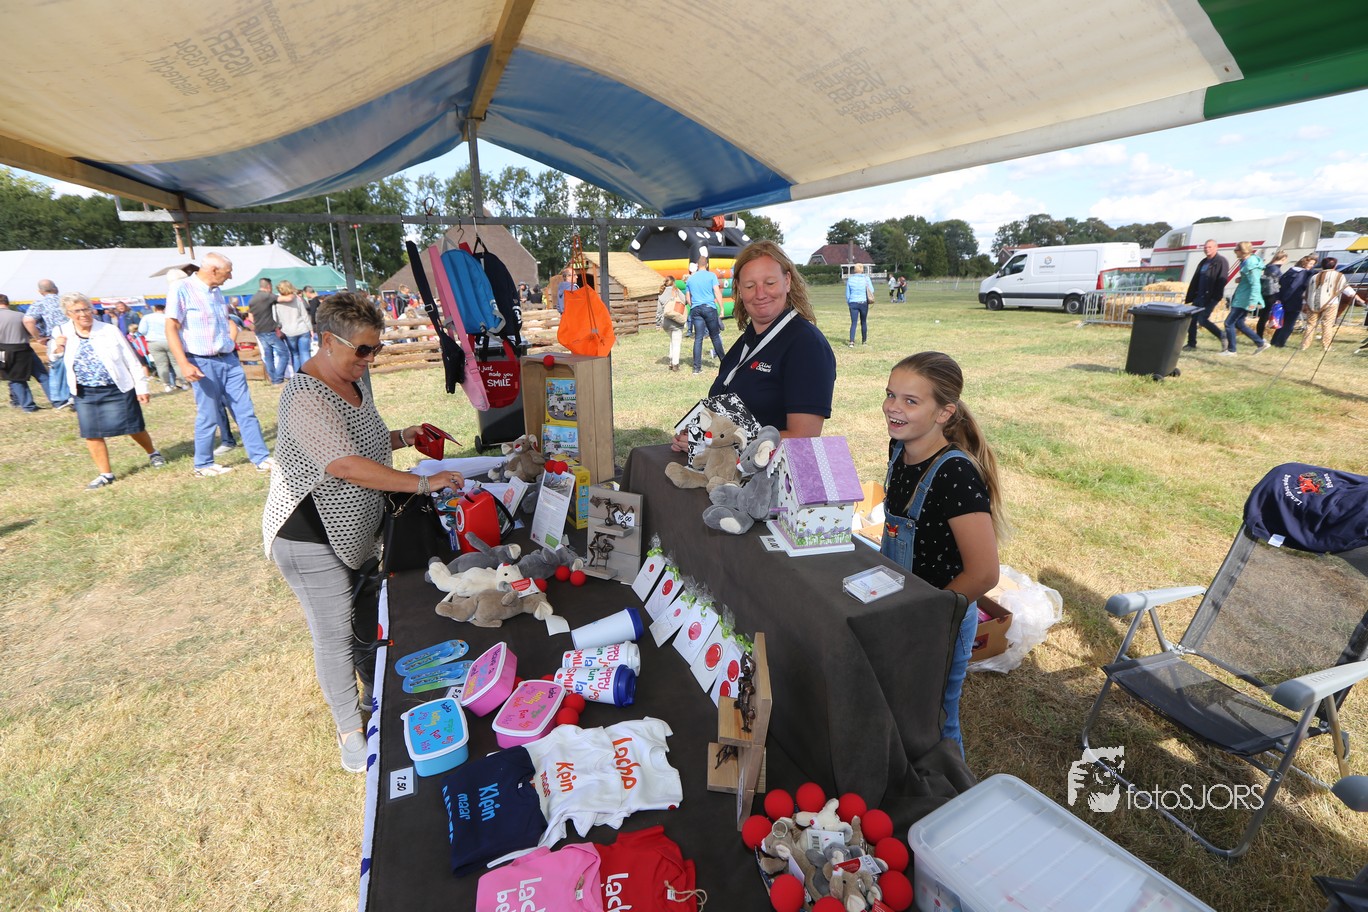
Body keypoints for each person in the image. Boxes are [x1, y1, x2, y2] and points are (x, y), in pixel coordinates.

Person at [262, 291, 464, 772]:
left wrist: (405, 436)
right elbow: (345, 464)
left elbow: (362, 443)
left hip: (351, 534)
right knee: (333, 634)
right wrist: (424, 482)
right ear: (327, 341)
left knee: (363, 620)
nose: (370, 359)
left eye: (376, 349)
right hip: (308, 536)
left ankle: (375, 695)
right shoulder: (305, 395)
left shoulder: (352, 380)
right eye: (363, 350)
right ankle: (350, 733)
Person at [879, 351, 1005, 753]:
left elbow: (984, 573)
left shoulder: (955, 474)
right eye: (890, 394)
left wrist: (930, 616)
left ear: (944, 413)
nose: (893, 407)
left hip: (938, 619)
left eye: (910, 401)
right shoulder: (899, 448)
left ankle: (951, 786)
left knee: (937, 720)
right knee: (902, 701)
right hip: (901, 604)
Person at [705, 240, 836, 436]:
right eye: (750, 286)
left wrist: (724, 441)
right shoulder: (744, 343)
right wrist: (700, 434)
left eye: (770, 283)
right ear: (739, 288)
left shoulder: (807, 345)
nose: (760, 294)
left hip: (772, 458)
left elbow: (803, 437)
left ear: (787, 281)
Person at [165, 252, 275, 477]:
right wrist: (183, 363)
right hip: (201, 361)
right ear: (213, 270)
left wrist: (229, 342)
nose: (230, 277)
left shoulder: (216, 292)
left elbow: (226, 323)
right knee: (209, 414)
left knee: (245, 410)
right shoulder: (181, 288)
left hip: (229, 360)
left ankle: (261, 458)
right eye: (228, 272)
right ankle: (203, 464)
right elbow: (171, 328)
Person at [50, 294, 166, 488]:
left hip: (117, 387)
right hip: (85, 392)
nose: (83, 314)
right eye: (77, 311)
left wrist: (141, 387)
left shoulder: (109, 330)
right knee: (91, 432)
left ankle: (153, 453)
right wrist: (58, 346)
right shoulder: (61, 331)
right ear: (68, 314)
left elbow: (130, 359)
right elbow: (53, 359)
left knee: (134, 426)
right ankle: (106, 474)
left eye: (86, 309)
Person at [30, 278, 74, 410]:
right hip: (75, 336)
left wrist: (38, 338)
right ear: (56, 289)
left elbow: (28, 320)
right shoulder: (67, 301)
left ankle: (63, 398)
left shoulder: (39, 304)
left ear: (40, 291)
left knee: (58, 369)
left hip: (55, 339)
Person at [1, 295, 47, 412]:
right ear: (7, 303)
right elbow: (30, 330)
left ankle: (26, 405)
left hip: (2, 350)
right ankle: (58, 400)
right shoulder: (21, 315)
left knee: (14, 378)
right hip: (23, 347)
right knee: (42, 374)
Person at [1220, 241, 1267, 356]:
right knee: (1239, 323)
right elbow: (1249, 279)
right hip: (1242, 296)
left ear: (1243, 251)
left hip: (1244, 299)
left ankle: (1232, 350)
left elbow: (1255, 283)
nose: (1235, 251)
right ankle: (1260, 343)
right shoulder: (1246, 262)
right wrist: (1241, 279)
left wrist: (1253, 301)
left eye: (1236, 249)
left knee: (1229, 323)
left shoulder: (1251, 264)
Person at [1182, 239, 1228, 350]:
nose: (1207, 249)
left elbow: (1222, 280)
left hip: (1211, 297)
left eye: (1210, 247)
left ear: (1216, 248)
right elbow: (1196, 279)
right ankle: (1191, 344)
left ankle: (1222, 336)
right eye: (1205, 247)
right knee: (1191, 319)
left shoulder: (1221, 261)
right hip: (1199, 296)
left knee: (1202, 319)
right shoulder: (1203, 262)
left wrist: (1215, 296)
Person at [1301, 257, 1354, 352]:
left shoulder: (1314, 276)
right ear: (1335, 266)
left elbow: (1308, 291)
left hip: (1312, 303)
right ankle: (1326, 346)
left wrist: (1304, 303)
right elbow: (1345, 288)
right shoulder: (1339, 275)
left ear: (1322, 265)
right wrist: (1354, 295)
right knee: (1327, 325)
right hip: (1330, 303)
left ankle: (1304, 346)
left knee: (1310, 325)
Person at [685, 253, 726, 374]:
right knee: (715, 336)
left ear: (697, 265)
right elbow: (717, 292)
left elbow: (688, 297)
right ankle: (725, 363)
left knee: (698, 338)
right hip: (709, 308)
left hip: (696, 309)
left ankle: (696, 368)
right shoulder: (711, 275)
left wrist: (693, 305)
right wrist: (722, 308)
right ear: (707, 265)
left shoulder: (690, 278)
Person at [1270, 255, 1317, 348]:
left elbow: (1281, 282)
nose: (1312, 266)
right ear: (1304, 263)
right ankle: (1280, 343)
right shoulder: (1303, 273)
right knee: (1289, 325)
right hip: (1294, 300)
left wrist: (1280, 298)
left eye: (1313, 264)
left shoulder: (1291, 270)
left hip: (1283, 298)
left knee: (1282, 322)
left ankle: (1274, 341)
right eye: (1310, 264)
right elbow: (1294, 287)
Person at [247, 278, 288, 384]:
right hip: (269, 330)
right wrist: (293, 294)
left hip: (259, 331)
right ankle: (278, 378)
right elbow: (286, 299)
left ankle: (273, 378)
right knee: (284, 353)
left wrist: (257, 323)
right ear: (268, 286)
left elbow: (250, 316)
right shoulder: (267, 296)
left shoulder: (253, 299)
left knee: (268, 355)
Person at [140, 302, 185, 392]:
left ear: (155, 309)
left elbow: (142, 331)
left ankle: (167, 385)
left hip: (154, 342)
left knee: (161, 365)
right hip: (170, 341)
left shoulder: (147, 317)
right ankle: (184, 383)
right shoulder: (169, 317)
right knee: (176, 363)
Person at [275, 280, 313, 373]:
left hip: (288, 331)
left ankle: (298, 376)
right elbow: (304, 315)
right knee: (305, 353)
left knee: (295, 355)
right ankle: (308, 374)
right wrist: (310, 329)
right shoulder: (297, 298)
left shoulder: (276, 301)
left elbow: (276, 318)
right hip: (302, 329)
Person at [655, 275, 687, 372]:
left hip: (666, 322)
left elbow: (659, 311)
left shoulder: (662, 294)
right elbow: (685, 301)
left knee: (672, 340)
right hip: (677, 321)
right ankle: (675, 364)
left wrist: (658, 324)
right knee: (676, 343)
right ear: (673, 282)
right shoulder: (677, 291)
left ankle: (671, 360)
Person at [1254, 251, 1287, 339]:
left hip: (1266, 293)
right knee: (1264, 316)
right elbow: (1274, 282)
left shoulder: (1269, 266)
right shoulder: (1275, 269)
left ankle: (1259, 335)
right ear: (1283, 259)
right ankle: (1259, 337)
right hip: (1272, 294)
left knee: (1264, 315)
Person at [844, 263, 875, 348]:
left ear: (854, 270)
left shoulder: (850, 279)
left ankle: (851, 342)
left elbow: (847, 293)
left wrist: (849, 302)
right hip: (863, 302)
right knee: (863, 322)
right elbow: (872, 290)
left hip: (853, 302)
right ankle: (864, 341)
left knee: (853, 322)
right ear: (862, 270)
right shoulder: (866, 279)